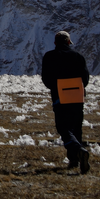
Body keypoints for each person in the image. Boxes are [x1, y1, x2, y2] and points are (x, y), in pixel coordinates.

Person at [41, 30, 91, 174]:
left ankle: (77, 151)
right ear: (69, 42)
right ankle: (75, 160)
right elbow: (85, 80)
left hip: (60, 97)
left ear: (55, 43)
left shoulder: (50, 57)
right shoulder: (78, 57)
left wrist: (57, 87)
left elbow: (47, 79)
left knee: (64, 128)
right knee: (76, 128)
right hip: (77, 97)